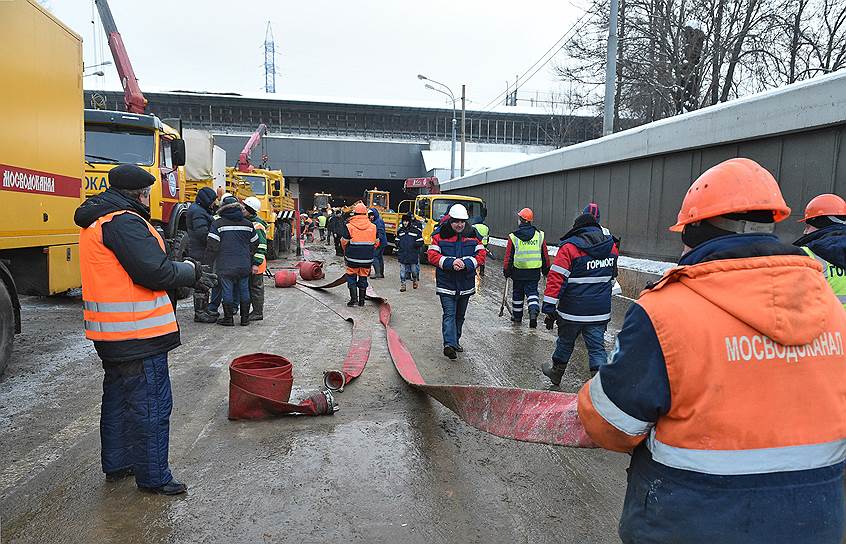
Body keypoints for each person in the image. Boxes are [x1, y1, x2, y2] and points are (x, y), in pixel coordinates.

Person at [577, 158, 846, 544]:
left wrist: (587, 400)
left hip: (690, 523)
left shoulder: (665, 311)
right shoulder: (831, 308)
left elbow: (613, 425)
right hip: (815, 524)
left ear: (696, 229)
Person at [74, 164, 216, 495]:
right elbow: (154, 271)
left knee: (120, 399)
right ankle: (153, 476)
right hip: (137, 334)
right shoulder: (124, 222)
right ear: (140, 193)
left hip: (113, 333)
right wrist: (191, 272)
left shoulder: (101, 219)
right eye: (147, 192)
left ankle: (119, 462)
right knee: (151, 403)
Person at [541, 210, 618, 384]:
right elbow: (611, 278)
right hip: (599, 312)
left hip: (572, 311)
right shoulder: (611, 247)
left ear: (577, 228)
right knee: (597, 348)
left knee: (565, 342)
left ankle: (556, 373)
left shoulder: (570, 248)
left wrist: (549, 308)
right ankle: (600, 388)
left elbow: (557, 278)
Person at [427, 204, 487, 360]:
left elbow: (481, 255)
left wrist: (467, 263)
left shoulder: (473, 235)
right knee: (449, 314)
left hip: (465, 284)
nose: (459, 225)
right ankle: (449, 344)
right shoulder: (439, 236)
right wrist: (450, 263)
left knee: (460, 315)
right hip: (447, 284)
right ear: (450, 221)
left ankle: (456, 341)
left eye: (462, 222)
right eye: (456, 222)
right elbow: (432, 255)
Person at [204, 196, 258, 326]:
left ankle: (228, 319)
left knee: (227, 290)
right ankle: (244, 319)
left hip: (225, 264)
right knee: (244, 289)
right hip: (244, 264)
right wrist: (247, 254)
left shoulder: (218, 224)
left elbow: (212, 245)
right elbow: (255, 243)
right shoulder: (248, 224)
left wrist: (208, 263)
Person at [793, 193, 846, 309]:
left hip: (826, 324)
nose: (805, 232)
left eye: (808, 226)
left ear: (821, 223)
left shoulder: (806, 255)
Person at [503, 208, 550, 328]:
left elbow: (509, 256)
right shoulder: (539, 235)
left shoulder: (514, 236)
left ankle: (517, 317)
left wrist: (506, 270)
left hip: (518, 272)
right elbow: (544, 254)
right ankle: (533, 312)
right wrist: (546, 269)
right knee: (532, 293)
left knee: (518, 294)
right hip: (534, 272)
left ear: (521, 220)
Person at [186, 187, 218, 323]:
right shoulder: (198, 213)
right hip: (200, 252)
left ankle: (204, 310)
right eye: (212, 201)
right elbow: (202, 234)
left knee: (204, 281)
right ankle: (200, 313)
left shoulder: (199, 210)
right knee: (201, 282)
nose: (214, 204)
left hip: (199, 250)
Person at [340, 203, 377, 306]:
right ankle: (362, 301)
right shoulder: (373, 227)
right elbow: (376, 243)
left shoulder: (349, 226)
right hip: (367, 259)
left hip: (352, 258)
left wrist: (345, 252)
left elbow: (344, 242)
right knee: (363, 277)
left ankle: (353, 299)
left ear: (354, 212)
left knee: (351, 277)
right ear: (366, 213)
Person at [243, 196, 267, 321]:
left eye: (244, 208)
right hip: (252, 261)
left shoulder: (257, 225)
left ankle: (258, 312)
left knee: (256, 288)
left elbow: (262, 246)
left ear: (249, 210)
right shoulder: (250, 222)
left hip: (257, 263)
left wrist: (256, 263)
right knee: (251, 287)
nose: (242, 210)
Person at [396, 213, 424, 291]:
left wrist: (414, 245)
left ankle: (414, 280)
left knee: (414, 271)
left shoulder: (416, 231)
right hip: (402, 254)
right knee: (402, 271)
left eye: (406, 221)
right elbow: (397, 240)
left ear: (409, 222)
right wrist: (399, 245)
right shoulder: (400, 231)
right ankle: (403, 285)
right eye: (404, 221)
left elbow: (421, 241)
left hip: (412, 255)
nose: (405, 223)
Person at [368, 208, 387, 278]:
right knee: (379, 257)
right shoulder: (378, 220)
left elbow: (380, 232)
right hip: (383, 242)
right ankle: (381, 273)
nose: (371, 217)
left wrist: (378, 239)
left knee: (374, 256)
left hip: (379, 242)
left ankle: (377, 273)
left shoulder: (378, 221)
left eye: (372, 215)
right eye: (370, 215)